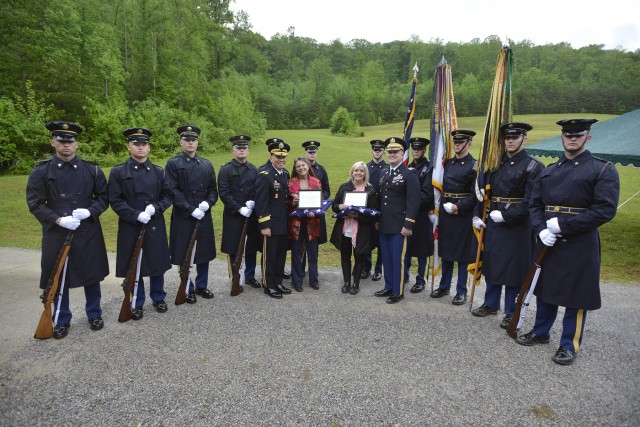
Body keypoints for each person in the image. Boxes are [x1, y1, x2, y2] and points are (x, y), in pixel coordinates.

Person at [516, 118, 619, 366]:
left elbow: (604, 210)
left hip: (580, 243)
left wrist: (565, 226)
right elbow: (535, 205)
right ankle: (541, 332)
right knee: (546, 290)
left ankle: (568, 344)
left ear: (588, 138)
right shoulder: (550, 171)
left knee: (577, 295)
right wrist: (541, 229)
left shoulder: (602, 170)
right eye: (568, 135)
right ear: (562, 138)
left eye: (578, 135)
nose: (572, 139)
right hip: (549, 241)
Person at [26, 121, 109, 339]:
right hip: (57, 231)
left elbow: (103, 198)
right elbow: (35, 203)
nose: (66, 145)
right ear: (53, 142)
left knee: (92, 274)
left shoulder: (92, 170)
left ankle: (94, 313)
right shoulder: (41, 170)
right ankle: (62, 319)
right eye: (61, 141)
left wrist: (90, 211)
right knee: (58, 276)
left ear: (76, 144)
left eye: (70, 141)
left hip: (86, 229)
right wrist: (57, 220)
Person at [470, 123, 544, 328]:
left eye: (515, 137)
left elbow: (532, 202)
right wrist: (477, 214)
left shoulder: (533, 166)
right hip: (494, 220)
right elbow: (483, 192)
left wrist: (507, 216)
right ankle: (491, 303)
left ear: (524, 139)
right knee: (493, 263)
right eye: (507, 138)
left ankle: (512, 310)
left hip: (516, 225)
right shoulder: (495, 163)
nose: (510, 141)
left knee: (513, 268)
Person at [107, 127, 173, 320]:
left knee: (157, 262)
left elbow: (168, 195)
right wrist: (135, 214)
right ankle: (137, 301)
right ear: (129, 146)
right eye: (136, 144)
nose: (140, 148)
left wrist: (157, 208)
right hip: (131, 224)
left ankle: (158, 297)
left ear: (149, 147)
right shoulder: (119, 172)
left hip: (154, 223)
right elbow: (115, 199)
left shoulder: (158, 172)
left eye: (144, 144)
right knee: (134, 263)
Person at [165, 125, 218, 304]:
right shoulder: (173, 164)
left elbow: (213, 190)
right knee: (184, 252)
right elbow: (172, 190)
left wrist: (208, 203)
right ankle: (187, 286)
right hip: (184, 214)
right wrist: (190, 209)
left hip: (203, 213)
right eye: (187, 140)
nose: (190, 143)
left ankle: (201, 285)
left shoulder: (206, 164)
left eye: (193, 140)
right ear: (181, 142)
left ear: (197, 142)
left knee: (204, 251)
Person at [430, 129, 478, 306]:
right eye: (455, 142)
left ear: (468, 143)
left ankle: (461, 291)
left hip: (462, 214)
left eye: (461, 142)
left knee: (463, 254)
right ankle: (444, 286)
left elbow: (474, 194)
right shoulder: (448, 163)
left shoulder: (474, 165)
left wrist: (459, 207)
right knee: (446, 251)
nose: (457, 145)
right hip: (445, 210)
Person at [374, 137, 420, 304]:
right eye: (390, 151)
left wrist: (408, 224)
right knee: (386, 257)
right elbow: (381, 199)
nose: (392, 154)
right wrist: (377, 218)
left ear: (402, 153)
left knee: (397, 259)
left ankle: (398, 291)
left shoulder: (409, 174)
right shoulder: (384, 172)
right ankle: (388, 286)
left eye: (395, 151)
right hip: (384, 223)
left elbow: (413, 201)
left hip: (400, 225)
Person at [217, 135, 261, 291]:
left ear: (248, 151)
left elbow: (257, 189)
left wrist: (253, 203)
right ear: (232, 150)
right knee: (233, 246)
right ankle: (235, 278)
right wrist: (239, 208)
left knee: (251, 247)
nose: (242, 150)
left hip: (251, 215)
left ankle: (250, 276)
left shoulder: (254, 169)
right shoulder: (225, 169)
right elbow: (224, 193)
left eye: (244, 148)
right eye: (238, 148)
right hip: (233, 215)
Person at [331, 161, 378, 295]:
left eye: (361, 171)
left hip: (362, 229)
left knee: (359, 256)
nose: (358, 173)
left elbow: (374, 213)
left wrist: (357, 216)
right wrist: (340, 207)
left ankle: (356, 283)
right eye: (356, 170)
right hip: (345, 228)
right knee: (345, 256)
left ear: (365, 174)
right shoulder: (344, 187)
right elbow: (334, 205)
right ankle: (346, 282)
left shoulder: (370, 190)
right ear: (352, 172)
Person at [255, 138, 292, 299]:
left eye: (283, 157)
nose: (281, 160)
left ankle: (277, 282)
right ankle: (268, 284)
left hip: (283, 222)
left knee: (280, 254)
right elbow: (261, 202)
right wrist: (264, 224)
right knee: (269, 255)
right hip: (270, 223)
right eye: (278, 157)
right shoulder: (265, 175)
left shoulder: (285, 173)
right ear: (271, 157)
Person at [404, 136, 434, 293]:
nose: (416, 151)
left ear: (424, 150)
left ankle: (421, 280)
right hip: (408, 213)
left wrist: (410, 205)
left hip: (422, 214)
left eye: (419, 148)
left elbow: (427, 194)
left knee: (423, 249)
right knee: (406, 246)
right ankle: (405, 275)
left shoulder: (429, 169)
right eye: (414, 148)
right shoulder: (407, 167)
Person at [287, 157, 322, 291]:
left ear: (308, 166)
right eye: (298, 166)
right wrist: (293, 202)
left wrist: (315, 211)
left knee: (312, 253)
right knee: (296, 252)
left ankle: (314, 280)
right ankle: (297, 281)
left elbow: (319, 201)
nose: (301, 168)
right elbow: (288, 203)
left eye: (303, 165)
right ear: (295, 169)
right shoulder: (291, 182)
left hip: (312, 223)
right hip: (296, 223)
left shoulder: (316, 181)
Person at [363, 139, 387, 281]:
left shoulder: (387, 168)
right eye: (375, 149)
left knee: (381, 242)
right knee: (367, 240)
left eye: (379, 150)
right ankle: (366, 268)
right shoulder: (366, 167)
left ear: (383, 151)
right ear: (372, 151)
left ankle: (378, 269)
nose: (377, 152)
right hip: (367, 208)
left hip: (383, 209)